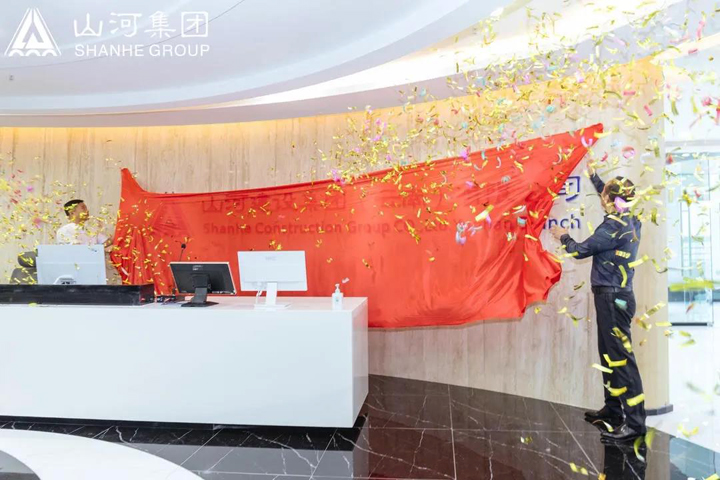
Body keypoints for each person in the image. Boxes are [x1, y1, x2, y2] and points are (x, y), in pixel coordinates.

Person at [550, 166, 646, 442]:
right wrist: (594, 177)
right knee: (609, 355)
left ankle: (635, 424)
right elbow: (612, 194)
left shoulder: (611, 227)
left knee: (622, 361)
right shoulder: (631, 218)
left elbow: (579, 251)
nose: (602, 197)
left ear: (609, 200)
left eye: (604, 194)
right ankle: (613, 410)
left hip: (612, 299)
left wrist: (562, 235)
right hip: (614, 297)